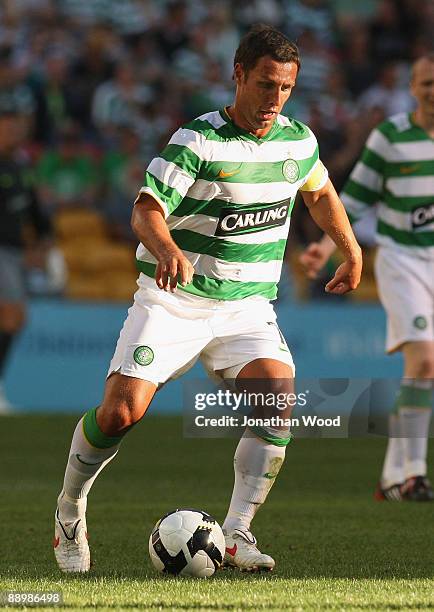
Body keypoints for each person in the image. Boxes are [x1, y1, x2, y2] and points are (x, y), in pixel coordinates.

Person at [53, 24, 362, 573]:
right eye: (266, 84)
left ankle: (239, 532)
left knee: (278, 401)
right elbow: (145, 208)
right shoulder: (196, 140)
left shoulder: (297, 140)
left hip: (246, 309)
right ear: (238, 74)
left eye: (286, 88)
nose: (275, 99)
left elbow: (318, 194)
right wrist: (167, 247)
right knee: (121, 413)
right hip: (173, 300)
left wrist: (350, 249)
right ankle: (70, 508)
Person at [300, 53, 434, 502]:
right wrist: (324, 245)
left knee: (425, 371)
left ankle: (394, 477)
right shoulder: (391, 137)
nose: (432, 90)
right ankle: (411, 474)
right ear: (412, 87)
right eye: (425, 82)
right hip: (403, 261)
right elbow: (353, 197)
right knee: (425, 360)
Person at [0, 105, 53, 412]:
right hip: (3, 250)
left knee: (14, 318)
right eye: (7, 127)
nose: (12, 133)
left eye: (16, 127)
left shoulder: (19, 167)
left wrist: (43, 241)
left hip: (16, 251)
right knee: (12, 316)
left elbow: (33, 209)